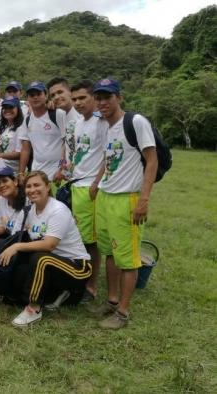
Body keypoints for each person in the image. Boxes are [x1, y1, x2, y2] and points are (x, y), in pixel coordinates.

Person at [91, 78, 158, 329]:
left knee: (128, 258)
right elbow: (108, 160)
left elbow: (152, 160)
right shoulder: (107, 126)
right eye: (98, 97)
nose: (102, 102)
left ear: (119, 97)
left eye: (107, 96)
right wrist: (97, 183)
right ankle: (112, 299)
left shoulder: (136, 122)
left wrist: (144, 199)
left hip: (127, 199)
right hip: (106, 197)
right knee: (110, 252)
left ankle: (123, 312)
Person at [0, 171, 92, 327]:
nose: (32, 190)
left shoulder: (58, 210)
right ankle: (58, 294)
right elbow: (14, 237)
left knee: (41, 258)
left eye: (37, 185)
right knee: (21, 268)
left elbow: (49, 245)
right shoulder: (28, 211)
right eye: (28, 186)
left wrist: (17, 246)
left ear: (47, 187)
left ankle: (33, 309)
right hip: (53, 265)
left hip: (77, 267)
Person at [65, 80, 107, 302]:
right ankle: (80, 279)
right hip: (77, 184)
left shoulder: (102, 122)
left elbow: (108, 155)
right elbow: (79, 154)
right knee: (79, 237)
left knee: (91, 241)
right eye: (75, 99)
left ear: (93, 98)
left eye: (82, 98)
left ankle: (90, 287)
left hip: (91, 187)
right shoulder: (79, 123)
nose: (78, 103)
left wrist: (96, 183)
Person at [18, 81, 68, 186]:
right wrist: (21, 172)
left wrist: (62, 169)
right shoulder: (27, 120)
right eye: (32, 95)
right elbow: (25, 149)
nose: (35, 97)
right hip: (37, 174)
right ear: (27, 98)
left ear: (45, 96)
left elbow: (67, 142)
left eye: (39, 94)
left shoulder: (57, 114)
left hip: (57, 174)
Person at [0, 167, 28, 251]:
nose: (1, 185)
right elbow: (0, 227)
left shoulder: (28, 199)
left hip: (26, 239)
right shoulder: (0, 200)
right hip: (11, 237)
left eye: (5, 181)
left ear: (15, 181)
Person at [0, 96, 23, 171]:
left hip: (12, 171)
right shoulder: (4, 127)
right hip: (0, 168)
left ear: (18, 109)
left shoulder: (21, 128)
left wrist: (0, 155)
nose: (7, 110)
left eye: (11, 107)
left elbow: (20, 153)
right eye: (5, 107)